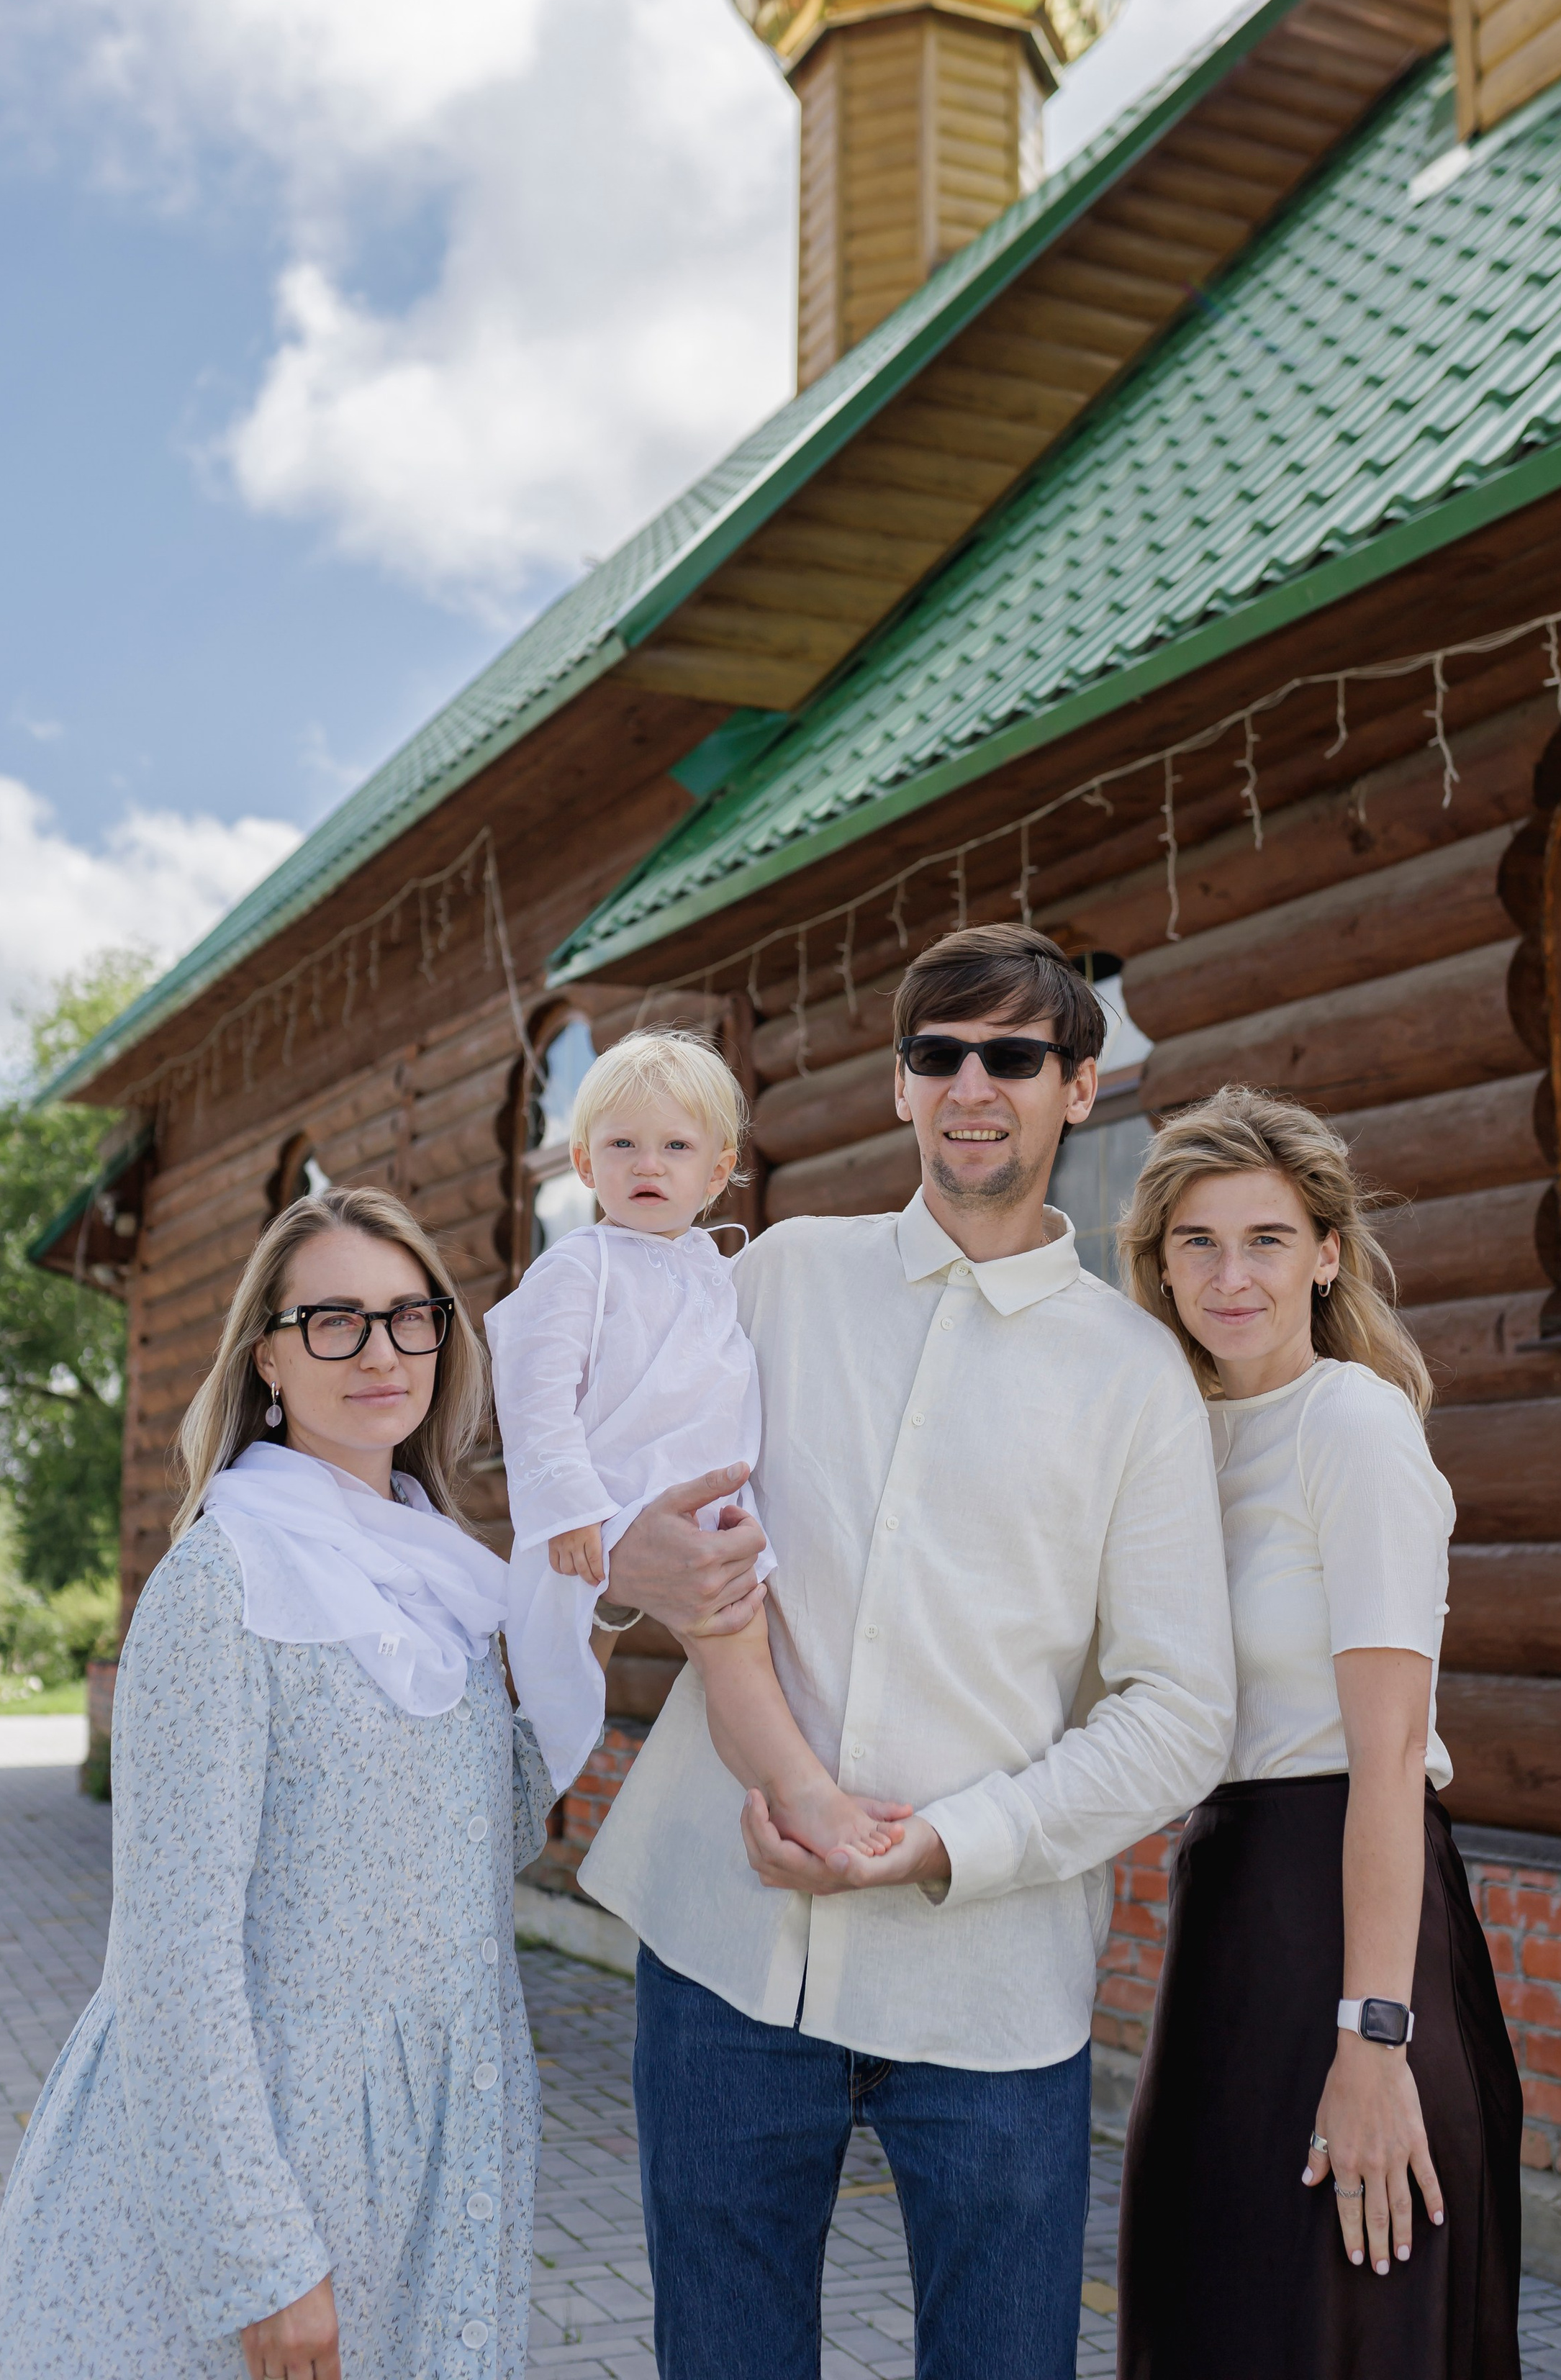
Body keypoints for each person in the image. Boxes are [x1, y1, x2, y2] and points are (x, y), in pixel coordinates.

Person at [577, 923, 1237, 2380]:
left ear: (1078, 1085)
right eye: (937, 1055)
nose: (970, 1085)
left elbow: (1180, 1710)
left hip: (986, 1980)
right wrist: (632, 1559)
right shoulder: (773, 1279)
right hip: (724, 1948)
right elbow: (601, 1488)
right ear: (897, 1089)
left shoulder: (1133, 1375)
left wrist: (941, 1842)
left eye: (1012, 1056)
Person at [0, 1185, 555, 2380]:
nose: (382, 1351)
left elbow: (497, 1847)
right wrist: (259, 2258)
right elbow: (169, 1963)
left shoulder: (453, 1580)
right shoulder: (221, 1584)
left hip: (436, 2149)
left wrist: (586, 1619)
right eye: (333, 1320)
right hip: (269, 2163)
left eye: (411, 1317)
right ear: (269, 1359)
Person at [1113, 1086, 1521, 2380]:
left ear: (1328, 1252)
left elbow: (1390, 1758)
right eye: (1197, 1242)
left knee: (1343, 2318)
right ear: (1158, 1263)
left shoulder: (1351, 1425)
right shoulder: (1166, 1439)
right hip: (1226, 1902)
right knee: (1211, 2305)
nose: (1231, 1275)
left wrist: (1372, 2040)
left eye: (1267, 1239)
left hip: (1348, 1909)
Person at [487, 1026, 908, 1860]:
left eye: (675, 1146)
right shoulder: (580, 1267)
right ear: (583, 1164)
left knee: (738, 1654)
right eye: (623, 1146)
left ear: (716, 1172)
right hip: (616, 1496)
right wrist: (573, 1509)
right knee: (637, 1654)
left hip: (711, 1502)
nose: (648, 1166)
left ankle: (787, 1798)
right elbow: (534, 1396)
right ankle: (797, 1794)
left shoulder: (716, 1269)